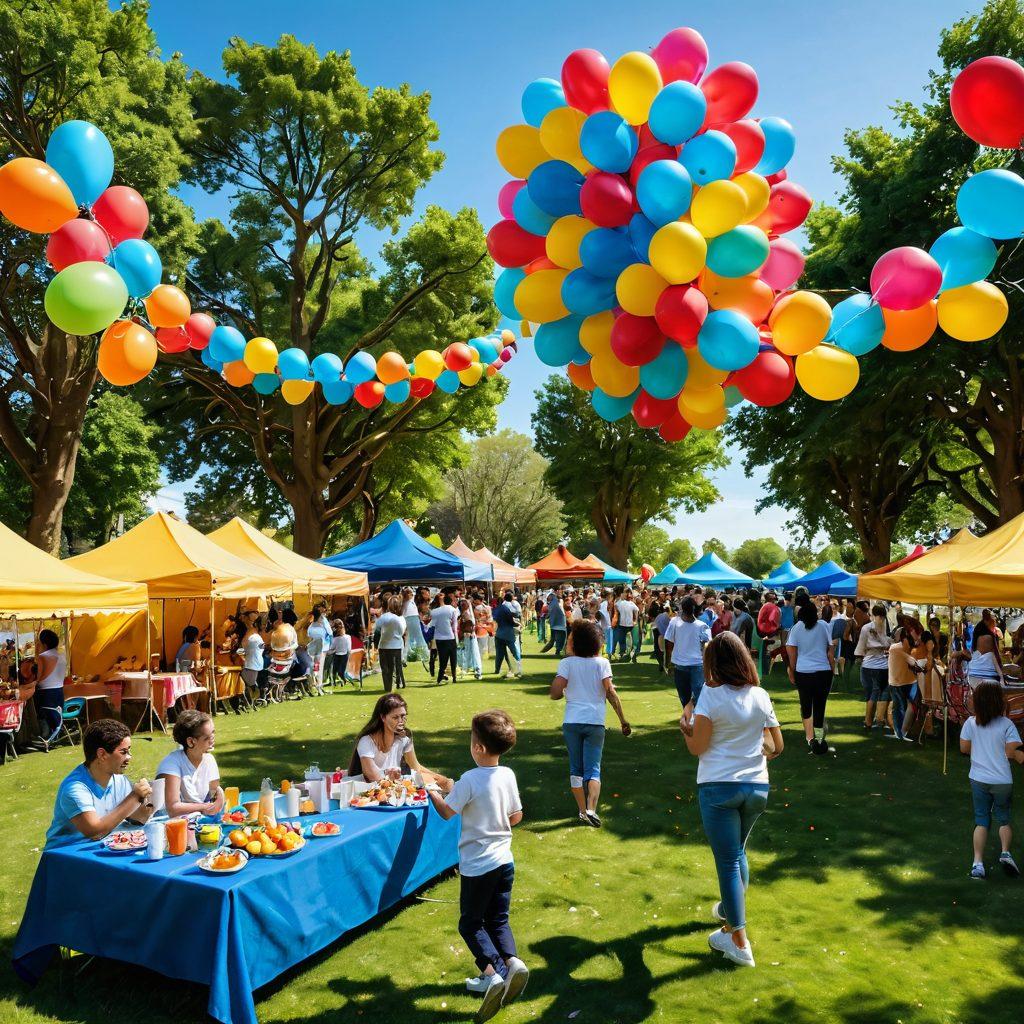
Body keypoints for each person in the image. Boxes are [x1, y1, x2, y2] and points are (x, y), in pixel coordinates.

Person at [680, 632, 784, 969]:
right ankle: (729, 911)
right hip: (756, 788)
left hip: (719, 786)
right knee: (737, 853)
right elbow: (776, 747)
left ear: (714, 663)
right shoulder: (760, 694)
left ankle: (738, 940)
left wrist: (686, 729)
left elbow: (698, 747)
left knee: (727, 860)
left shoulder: (711, 695)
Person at [424, 710, 528, 1020]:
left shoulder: (470, 779)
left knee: (470, 923)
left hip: (478, 865)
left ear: (479, 747)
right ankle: (513, 963)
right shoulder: (507, 774)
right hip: (504, 861)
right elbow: (516, 816)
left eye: (471, 740)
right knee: (497, 919)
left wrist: (430, 788)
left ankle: (492, 973)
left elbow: (446, 812)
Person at [550, 620, 631, 828]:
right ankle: (592, 808)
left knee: (575, 769)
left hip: (572, 721)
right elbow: (611, 692)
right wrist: (623, 720)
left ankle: (581, 810)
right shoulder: (602, 663)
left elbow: (555, 693)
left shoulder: (566, 664)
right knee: (593, 770)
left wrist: (566, 686)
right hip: (595, 721)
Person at [45, 719, 155, 849]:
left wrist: (146, 804)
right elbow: (95, 832)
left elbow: (131, 817)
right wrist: (134, 797)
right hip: (65, 854)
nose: (129, 757)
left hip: (101, 848)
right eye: (124, 752)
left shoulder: (119, 780)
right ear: (102, 754)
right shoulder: (75, 788)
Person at [960, 682, 1024, 879]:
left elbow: (964, 748)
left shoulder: (971, 723)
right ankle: (1005, 853)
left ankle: (977, 863)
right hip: (1002, 780)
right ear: (999, 701)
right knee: (1003, 818)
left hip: (978, 778)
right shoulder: (1007, 724)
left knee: (981, 820)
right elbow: (1013, 751)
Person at [347, 693, 448, 783]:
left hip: (396, 787)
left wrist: (442, 780)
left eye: (403, 716)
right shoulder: (366, 741)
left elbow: (416, 767)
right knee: (435, 792)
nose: (400, 721)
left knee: (441, 785)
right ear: (383, 717)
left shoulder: (405, 738)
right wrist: (390, 776)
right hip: (371, 793)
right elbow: (372, 776)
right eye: (395, 717)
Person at [156, 710, 225, 817]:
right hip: (169, 823)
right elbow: (173, 808)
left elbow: (213, 792)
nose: (212, 739)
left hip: (197, 819)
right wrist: (205, 807)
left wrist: (215, 800)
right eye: (207, 737)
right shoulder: (171, 764)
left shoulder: (209, 760)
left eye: (213, 733)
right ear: (191, 742)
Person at [786, 601, 835, 754]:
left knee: (806, 707)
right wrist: (832, 670)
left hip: (803, 672)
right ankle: (819, 740)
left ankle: (810, 739)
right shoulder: (824, 626)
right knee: (820, 707)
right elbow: (830, 651)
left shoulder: (796, 628)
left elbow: (792, 652)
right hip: (823, 672)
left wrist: (792, 671)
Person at [664, 597, 712, 717]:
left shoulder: (676, 622)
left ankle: (695, 719)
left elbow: (668, 644)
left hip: (690, 666)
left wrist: (668, 663)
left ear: (682, 609)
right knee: (693, 696)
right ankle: (693, 719)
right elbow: (707, 648)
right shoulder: (702, 626)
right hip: (693, 666)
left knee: (691, 696)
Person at [855, 605, 891, 732]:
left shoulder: (867, 628)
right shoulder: (885, 626)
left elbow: (861, 646)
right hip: (883, 665)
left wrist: (859, 657)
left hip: (869, 664)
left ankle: (868, 721)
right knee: (881, 693)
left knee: (870, 694)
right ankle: (879, 718)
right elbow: (887, 644)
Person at [33, 628, 65, 745]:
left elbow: (39, 677)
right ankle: (55, 738)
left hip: (46, 692)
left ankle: (45, 738)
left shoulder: (43, 656)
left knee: (44, 716)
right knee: (57, 716)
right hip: (59, 691)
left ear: (44, 644)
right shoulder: (62, 655)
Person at [376, 596, 407, 693]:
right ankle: (398, 683)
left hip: (384, 645)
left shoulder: (383, 617)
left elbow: (377, 629)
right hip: (396, 646)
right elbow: (402, 632)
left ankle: (387, 687)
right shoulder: (400, 618)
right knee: (396, 667)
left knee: (385, 669)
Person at [431, 593, 460, 685]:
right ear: (451, 601)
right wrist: (457, 639)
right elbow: (454, 626)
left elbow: (432, 624)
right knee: (453, 658)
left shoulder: (435, 611)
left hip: (439, 638)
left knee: (442, 659)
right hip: (450, 637)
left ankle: (439, 678)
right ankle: (454, 677)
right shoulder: (453, 610)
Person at [494, 591, 523, 679]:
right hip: (508, 634)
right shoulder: (508, 608)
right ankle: (518, 669)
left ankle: (497, 669)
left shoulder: (497, 609)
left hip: (499, 633)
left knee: (499, 653)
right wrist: (518, 624)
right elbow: (511, 620)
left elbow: (495, 619)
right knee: (514, 652)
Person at [401, 588, 430, 671]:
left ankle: (404, 657)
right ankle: (425, 657)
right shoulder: (408, 601)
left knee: (408, 639)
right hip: (411, 617)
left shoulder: (406, 601)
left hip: (408, 617)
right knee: (417, 637)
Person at [238, 616, 265, 704]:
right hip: (253, 661)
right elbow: (243, 644)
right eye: (263, 624)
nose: (265, 626)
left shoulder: (255, 632)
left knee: (251, 683)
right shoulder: (252, 631)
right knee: (251, 683)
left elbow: (243, 645)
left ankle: (253, 699)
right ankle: (254, 699)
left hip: (253, 662)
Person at [755, 594, 781, 675]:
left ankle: (763, 670)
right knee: (769, 652)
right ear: (773, 600)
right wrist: (777, 626)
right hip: (770, 632)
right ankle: (766, 671)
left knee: (763, 651)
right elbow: (772, 619)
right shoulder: (774, 607)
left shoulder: (764, 606)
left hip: (761, 631)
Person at [459, 599, 483, 680]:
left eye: (464, 604)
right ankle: (468, 668)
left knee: (473, 652)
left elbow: (471, 624)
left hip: (469, 635)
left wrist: (471, 631)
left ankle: (477, 670)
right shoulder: (464, 613)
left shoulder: (466, 614)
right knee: (467, 652)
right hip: (466, 635)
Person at [541, 585, 567, 656]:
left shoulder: (558, 600)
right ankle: (557, 651)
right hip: (558, 623)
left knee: (554, 640)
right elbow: (549, 608)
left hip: (556, 622)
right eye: (560, 590)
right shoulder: (554, 599)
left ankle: (543, 652)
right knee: (559, 638)